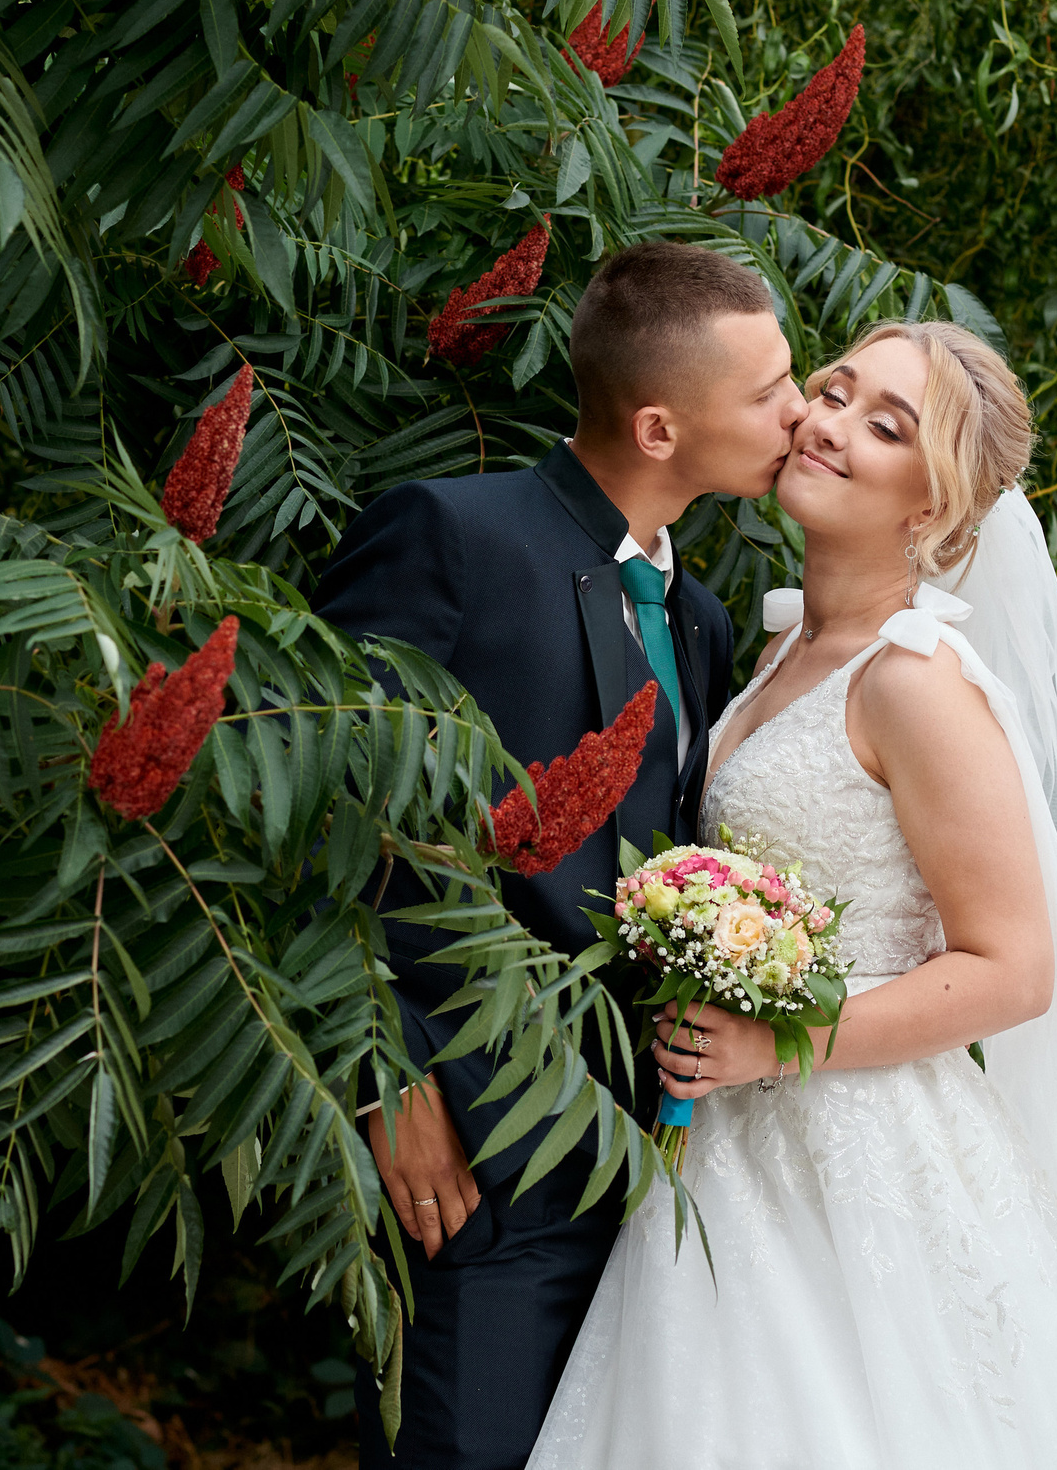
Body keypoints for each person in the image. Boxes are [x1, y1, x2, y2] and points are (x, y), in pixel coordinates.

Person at [527, 320, 1057, 1468]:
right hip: (722, 1139)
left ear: (936, 506)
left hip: (853, 1151)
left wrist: (781, 1044)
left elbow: (1012, 968)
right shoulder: (767, 649)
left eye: (885, 423)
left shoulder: (915, 682)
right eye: (831, 389)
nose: (826, 423)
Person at [313, 241, 809, 1469]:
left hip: (634, 1163)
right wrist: (383, 1080)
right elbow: (318, 821)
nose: (798, 413)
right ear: (657, 425)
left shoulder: (695, 620)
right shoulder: (447, 535)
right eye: (768, 390)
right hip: (466, 1159)